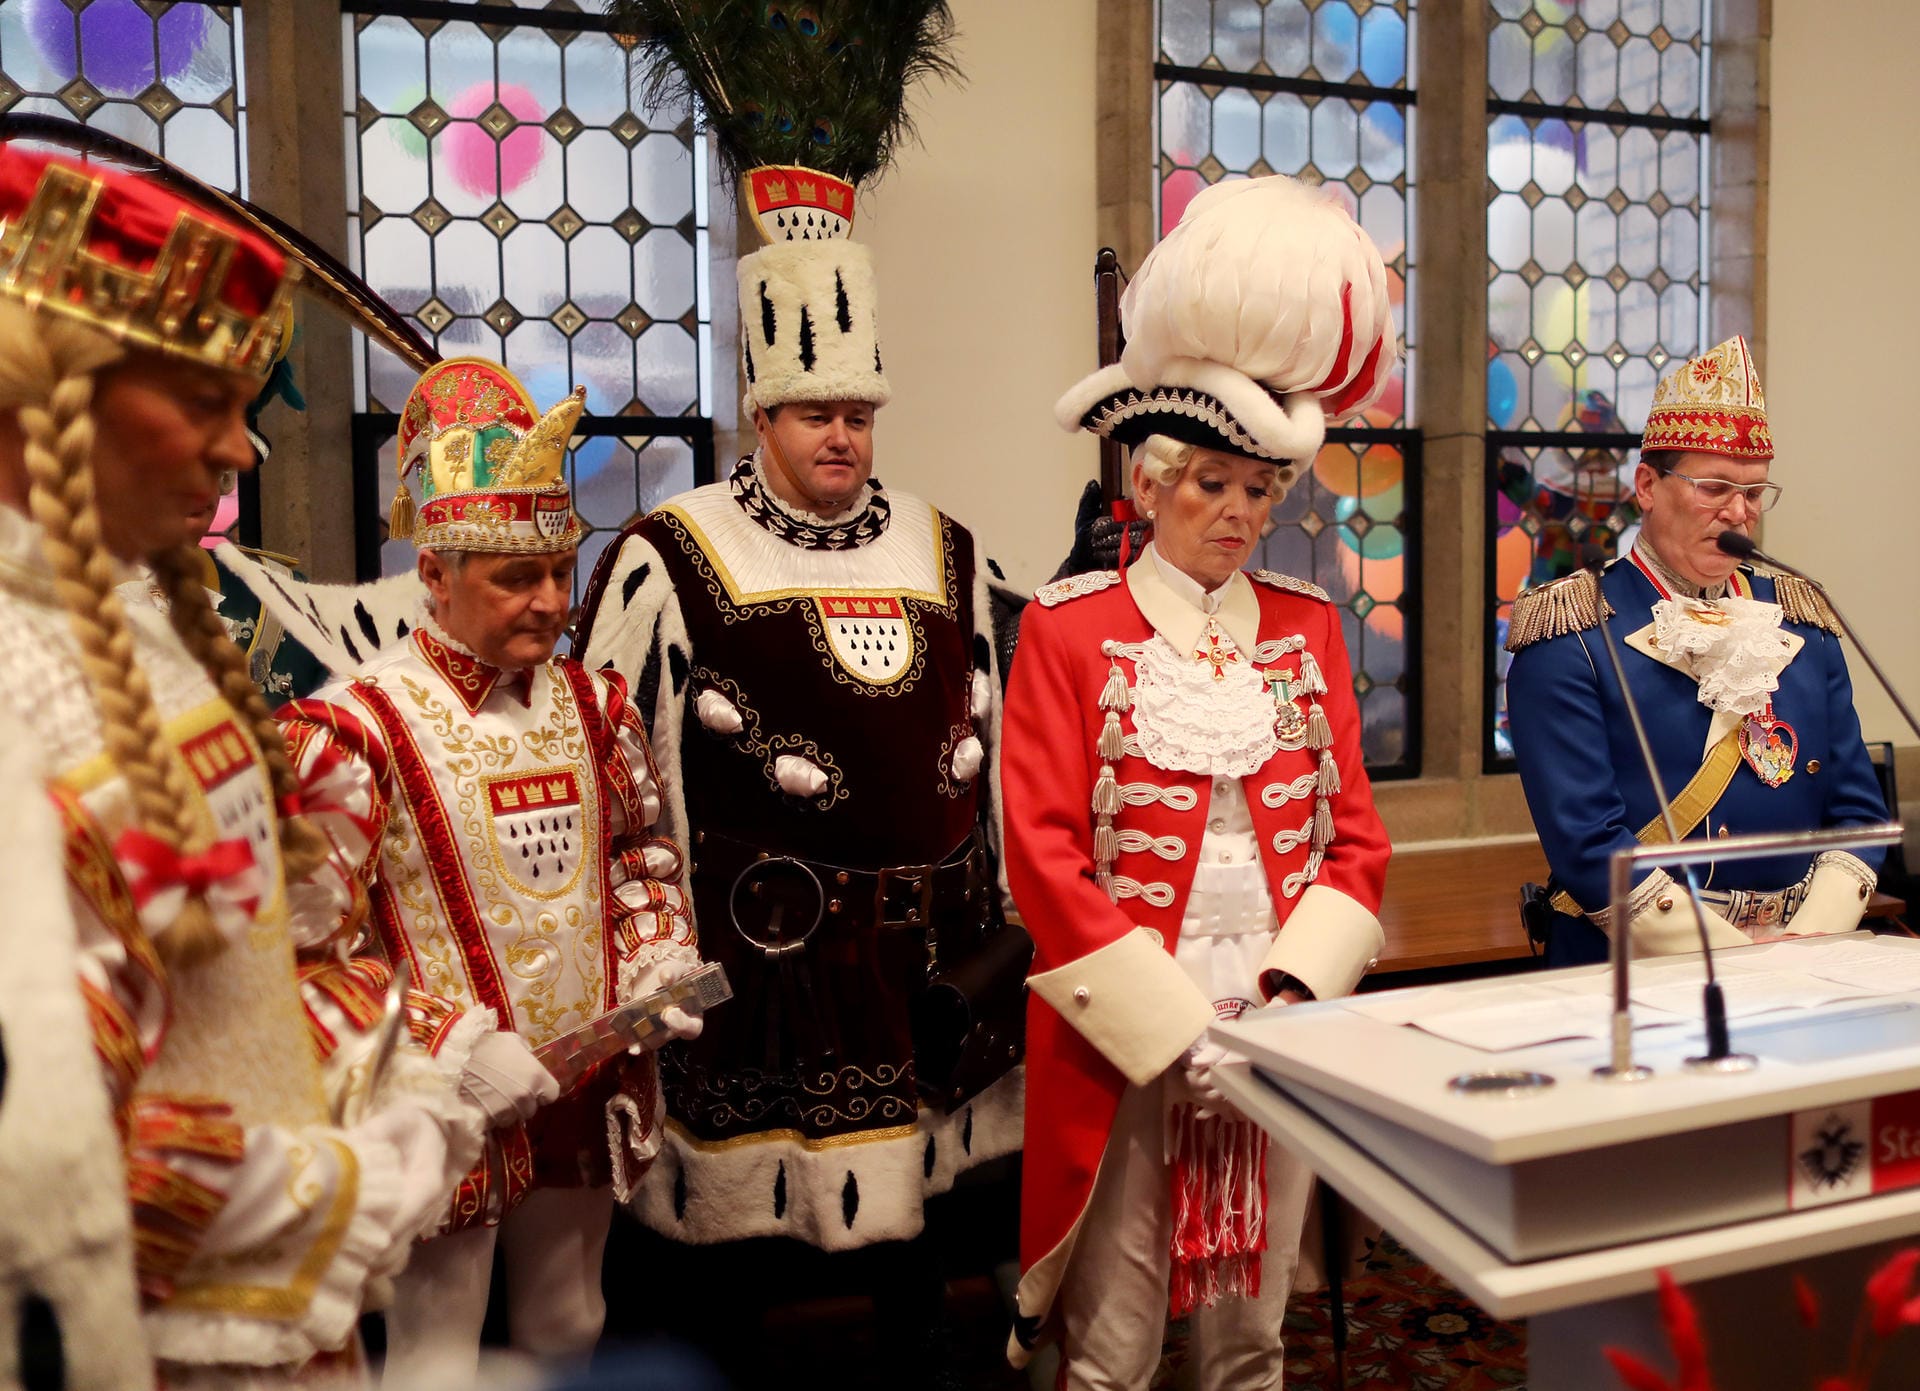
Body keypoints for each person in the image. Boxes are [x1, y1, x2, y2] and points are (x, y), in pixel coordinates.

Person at [0, 144, 481, 1388]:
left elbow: (234, 976)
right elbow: (50, 1155)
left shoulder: (139, 617)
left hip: (277, 1328)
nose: (241, 448)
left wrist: (408, 1055)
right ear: (46, 390)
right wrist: (357, 1178)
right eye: (203, 398)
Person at [572, 166, 1021, 1366]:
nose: (842, 435)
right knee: (729, 1275)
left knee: (914, 1255)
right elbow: (618, 761)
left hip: (918, 958)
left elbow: (990, 746)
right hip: (754, 958)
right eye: (814, 411)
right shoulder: (671, 551)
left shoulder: (944, 541)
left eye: (859, 413)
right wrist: (641, 938)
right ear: (761, 415)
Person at [1004, 174, 1396, 1388]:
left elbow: (1358, 841)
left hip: (1278, 1016)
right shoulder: (1069, 631)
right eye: (1209, 484)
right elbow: (1045, 853)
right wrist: (1170, 1031)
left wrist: (1288, 993)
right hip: (1128, 1028)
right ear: (1148, 486)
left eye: (1258, 489)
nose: (1236, 513)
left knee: (1252, 1333)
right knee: (1113, 1341)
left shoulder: (1309, 626)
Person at [278, 355, 702, 1383]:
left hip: (586, 1072)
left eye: (561, 568)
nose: (551, 598)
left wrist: (656, 958)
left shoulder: (598, 705)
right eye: (516, 575)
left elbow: (637, 853)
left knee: (570, 1316)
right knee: (435, 1348)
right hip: (440, 1091)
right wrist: (454, 1046)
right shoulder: (348, 731)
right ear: (434, 573)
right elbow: (309, 950)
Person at [1507, 335, 1887, 965]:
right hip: (1634, 964)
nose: (1738, 513)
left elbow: (1858, 813)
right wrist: (1737, 962)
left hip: (1804, 955)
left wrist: (1807, 944)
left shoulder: (1804, 625)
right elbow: (1589, 844)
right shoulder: (1571, 636)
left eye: (1755, 492)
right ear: (1649, 486)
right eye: (1714, 487)